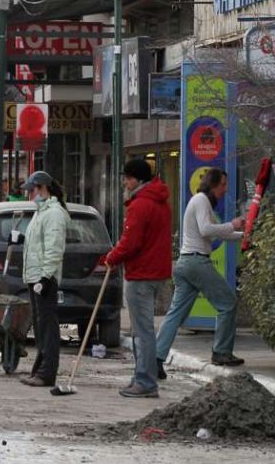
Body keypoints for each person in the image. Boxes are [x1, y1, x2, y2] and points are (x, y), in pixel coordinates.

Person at [155, 168, 246, 375]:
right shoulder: (202, 200)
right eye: (223, 185)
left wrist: (242, 234)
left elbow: (217, 234)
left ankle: (156, 358)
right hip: (196, 262)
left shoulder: (200, 201)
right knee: (228, 303)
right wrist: (232, 224)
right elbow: (207, 230)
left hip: (186, 263)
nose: (225, 189)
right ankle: (221, 352)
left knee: (175, 315)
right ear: (213, 184)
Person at [102, 159, 171, 398]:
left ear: (138, 180)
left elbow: (131, 242)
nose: (125, 182)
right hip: (154, 271)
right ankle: (141, 376)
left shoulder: (141, 205)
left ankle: (145, 381)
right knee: (144, 330)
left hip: (141, 273)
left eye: (128, 178)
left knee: (142, 332)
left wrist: (112, 257)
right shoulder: (160, 201)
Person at [12, 171, 70, 387]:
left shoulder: (53, 214)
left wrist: (46, 277)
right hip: (35, 275)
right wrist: (21, 239)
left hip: (44, 277)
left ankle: (47, 373)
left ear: (42, 188)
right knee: (40, 325)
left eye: (32, 190)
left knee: (47, 326)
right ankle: (40, 369)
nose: (29, 195)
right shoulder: (41, 211)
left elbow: (54, 248)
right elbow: (38, 243)